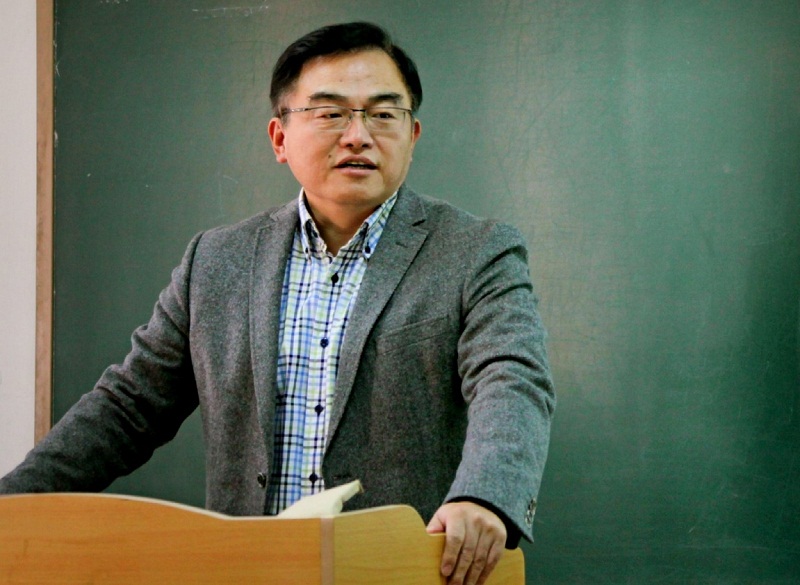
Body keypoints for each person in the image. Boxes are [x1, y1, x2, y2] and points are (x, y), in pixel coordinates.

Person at [0, 22, 554, 585]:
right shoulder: (216, 260)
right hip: (246, 570)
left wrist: (484, 496)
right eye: (330, 113)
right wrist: (11, 506)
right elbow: (128, 407)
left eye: (383, 114)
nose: (358, 135)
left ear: (412, 135)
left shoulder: (475, 251)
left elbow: (511, 377)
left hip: (402, 568)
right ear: (280, 138)